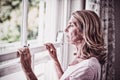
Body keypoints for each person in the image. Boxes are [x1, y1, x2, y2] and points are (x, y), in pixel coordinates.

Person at [17, 10, 106, 80]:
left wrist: (28, 70)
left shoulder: (87, 68)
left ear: (85, 31)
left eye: (71, 25)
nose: (65, 29)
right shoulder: (83, 58)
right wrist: (55, 60)